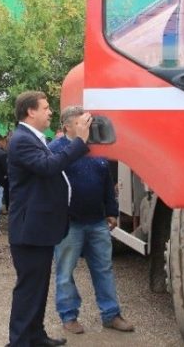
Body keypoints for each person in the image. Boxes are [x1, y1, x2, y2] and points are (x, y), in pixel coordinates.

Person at [7, 90, 92, 347]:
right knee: (29, 289)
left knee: (39, 288)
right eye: (45, 108)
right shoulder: (22, 139)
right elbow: (48, 167)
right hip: (29, 229)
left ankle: (35, 335)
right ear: (30, 111)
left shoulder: (34, 138)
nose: (50, 112)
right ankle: (20, 341)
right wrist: (79, 142)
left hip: (38, 228)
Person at [49, 106, 135, 335]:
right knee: (66, 271)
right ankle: (69, 316)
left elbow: (106, 180)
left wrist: (111, 210)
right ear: (67, 126)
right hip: (69, 223)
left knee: (104, 269)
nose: (87, 126)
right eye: (81, 122)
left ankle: (111, 314)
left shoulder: (95, 148)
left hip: (97, 221)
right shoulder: (55, 150)